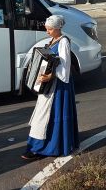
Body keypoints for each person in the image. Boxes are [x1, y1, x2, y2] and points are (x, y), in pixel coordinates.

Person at [23, 15, 79, 160]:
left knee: (47, 116)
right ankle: (38, 145)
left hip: (58, 86)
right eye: (46, 29)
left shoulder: (64, 42)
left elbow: (65, 68)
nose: (47, 31)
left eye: (49, 29)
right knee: (42, 115)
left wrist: (50, 76)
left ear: (57, 28)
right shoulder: (52, 40)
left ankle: (44, 147)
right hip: (50, 85)